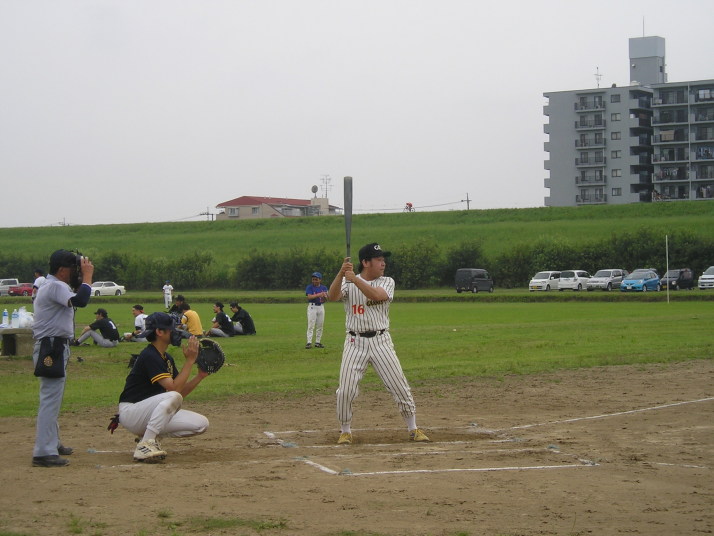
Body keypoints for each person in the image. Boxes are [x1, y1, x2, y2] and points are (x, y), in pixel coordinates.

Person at [327, 242, 429, 445]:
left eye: (383, 259)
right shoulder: (348, 284)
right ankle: (345, 431)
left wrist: (354, 278)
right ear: (366, 262)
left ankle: (413, 428)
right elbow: (332, 296)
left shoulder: (387, 282)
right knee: (345, 390)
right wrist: (341, 274)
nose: (383, 263)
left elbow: (377, 296)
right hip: (354, 342)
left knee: (399, 386)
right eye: (378, 259)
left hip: (381, 341)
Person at [115, 312, 209, 462]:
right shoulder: (149, 355)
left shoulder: (166, 358)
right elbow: (173, 391)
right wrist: (189, 361)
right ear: (159, 332)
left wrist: (200, 376)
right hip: (132, 412)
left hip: (148, 412)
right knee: (173, 396)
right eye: (172, 329)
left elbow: (179, 392)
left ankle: (147, 437)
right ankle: (145, 445)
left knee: (201, 424)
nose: (176, 333)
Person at [31, 249, 94, 467]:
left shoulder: (51, 285)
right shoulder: (56, 285)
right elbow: (82, 301)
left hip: (53, 346)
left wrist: (81, 280)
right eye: (74, 269)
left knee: (52, 398)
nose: (76, 272)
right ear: (61, 270)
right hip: (52, 347)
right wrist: (87, 278)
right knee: (50, 399)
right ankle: (43, 452)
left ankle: (53, 443)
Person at [304, 271, 328, 349]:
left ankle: (318, 342)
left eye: (316, 279)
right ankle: (309, 342)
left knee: (320, 325)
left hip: (320, 306)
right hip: (312, 307)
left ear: (320, 280)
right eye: (313, 279)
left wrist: (324, 297)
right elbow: (309, 297)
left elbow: (325, 299)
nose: (314, 281)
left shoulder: (324, 288)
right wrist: (319, 295)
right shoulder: (310, 287)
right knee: (311, 324)